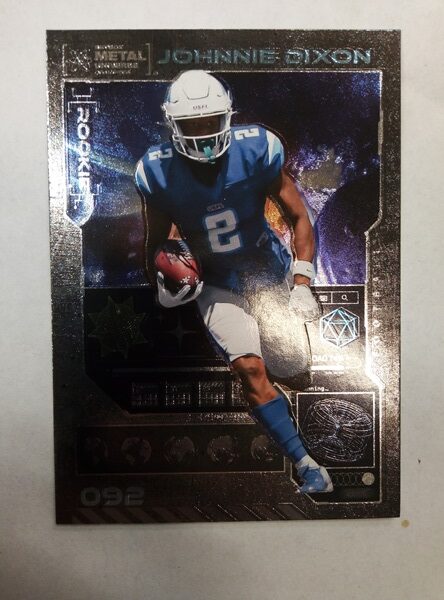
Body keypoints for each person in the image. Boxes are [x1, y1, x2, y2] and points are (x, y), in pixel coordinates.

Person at [134, 70, 333, 493]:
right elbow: (158, 240)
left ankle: (289, 379)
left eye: (211, 121)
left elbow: (299, 214)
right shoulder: (155, 172)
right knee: (249, 369)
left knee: (292, 368)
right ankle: (306, 464)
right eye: (192, 125)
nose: (204, 135)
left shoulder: (258, 148)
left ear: (228, 116)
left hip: (267, 271)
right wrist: (163, 280)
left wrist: (302, 279)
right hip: (217, 282)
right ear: (172, 126)